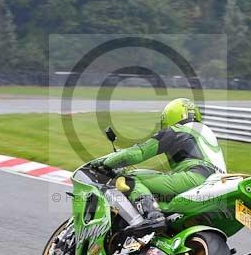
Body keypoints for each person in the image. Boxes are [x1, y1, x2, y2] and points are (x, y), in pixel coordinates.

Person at [91, 98, 226, 234]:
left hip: (196, 178)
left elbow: (136, 154)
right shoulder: (206, 133)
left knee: (130, 179)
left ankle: (154, 217)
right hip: (219, 183)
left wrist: (102, 163)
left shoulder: (176, 131)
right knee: (161, 193)